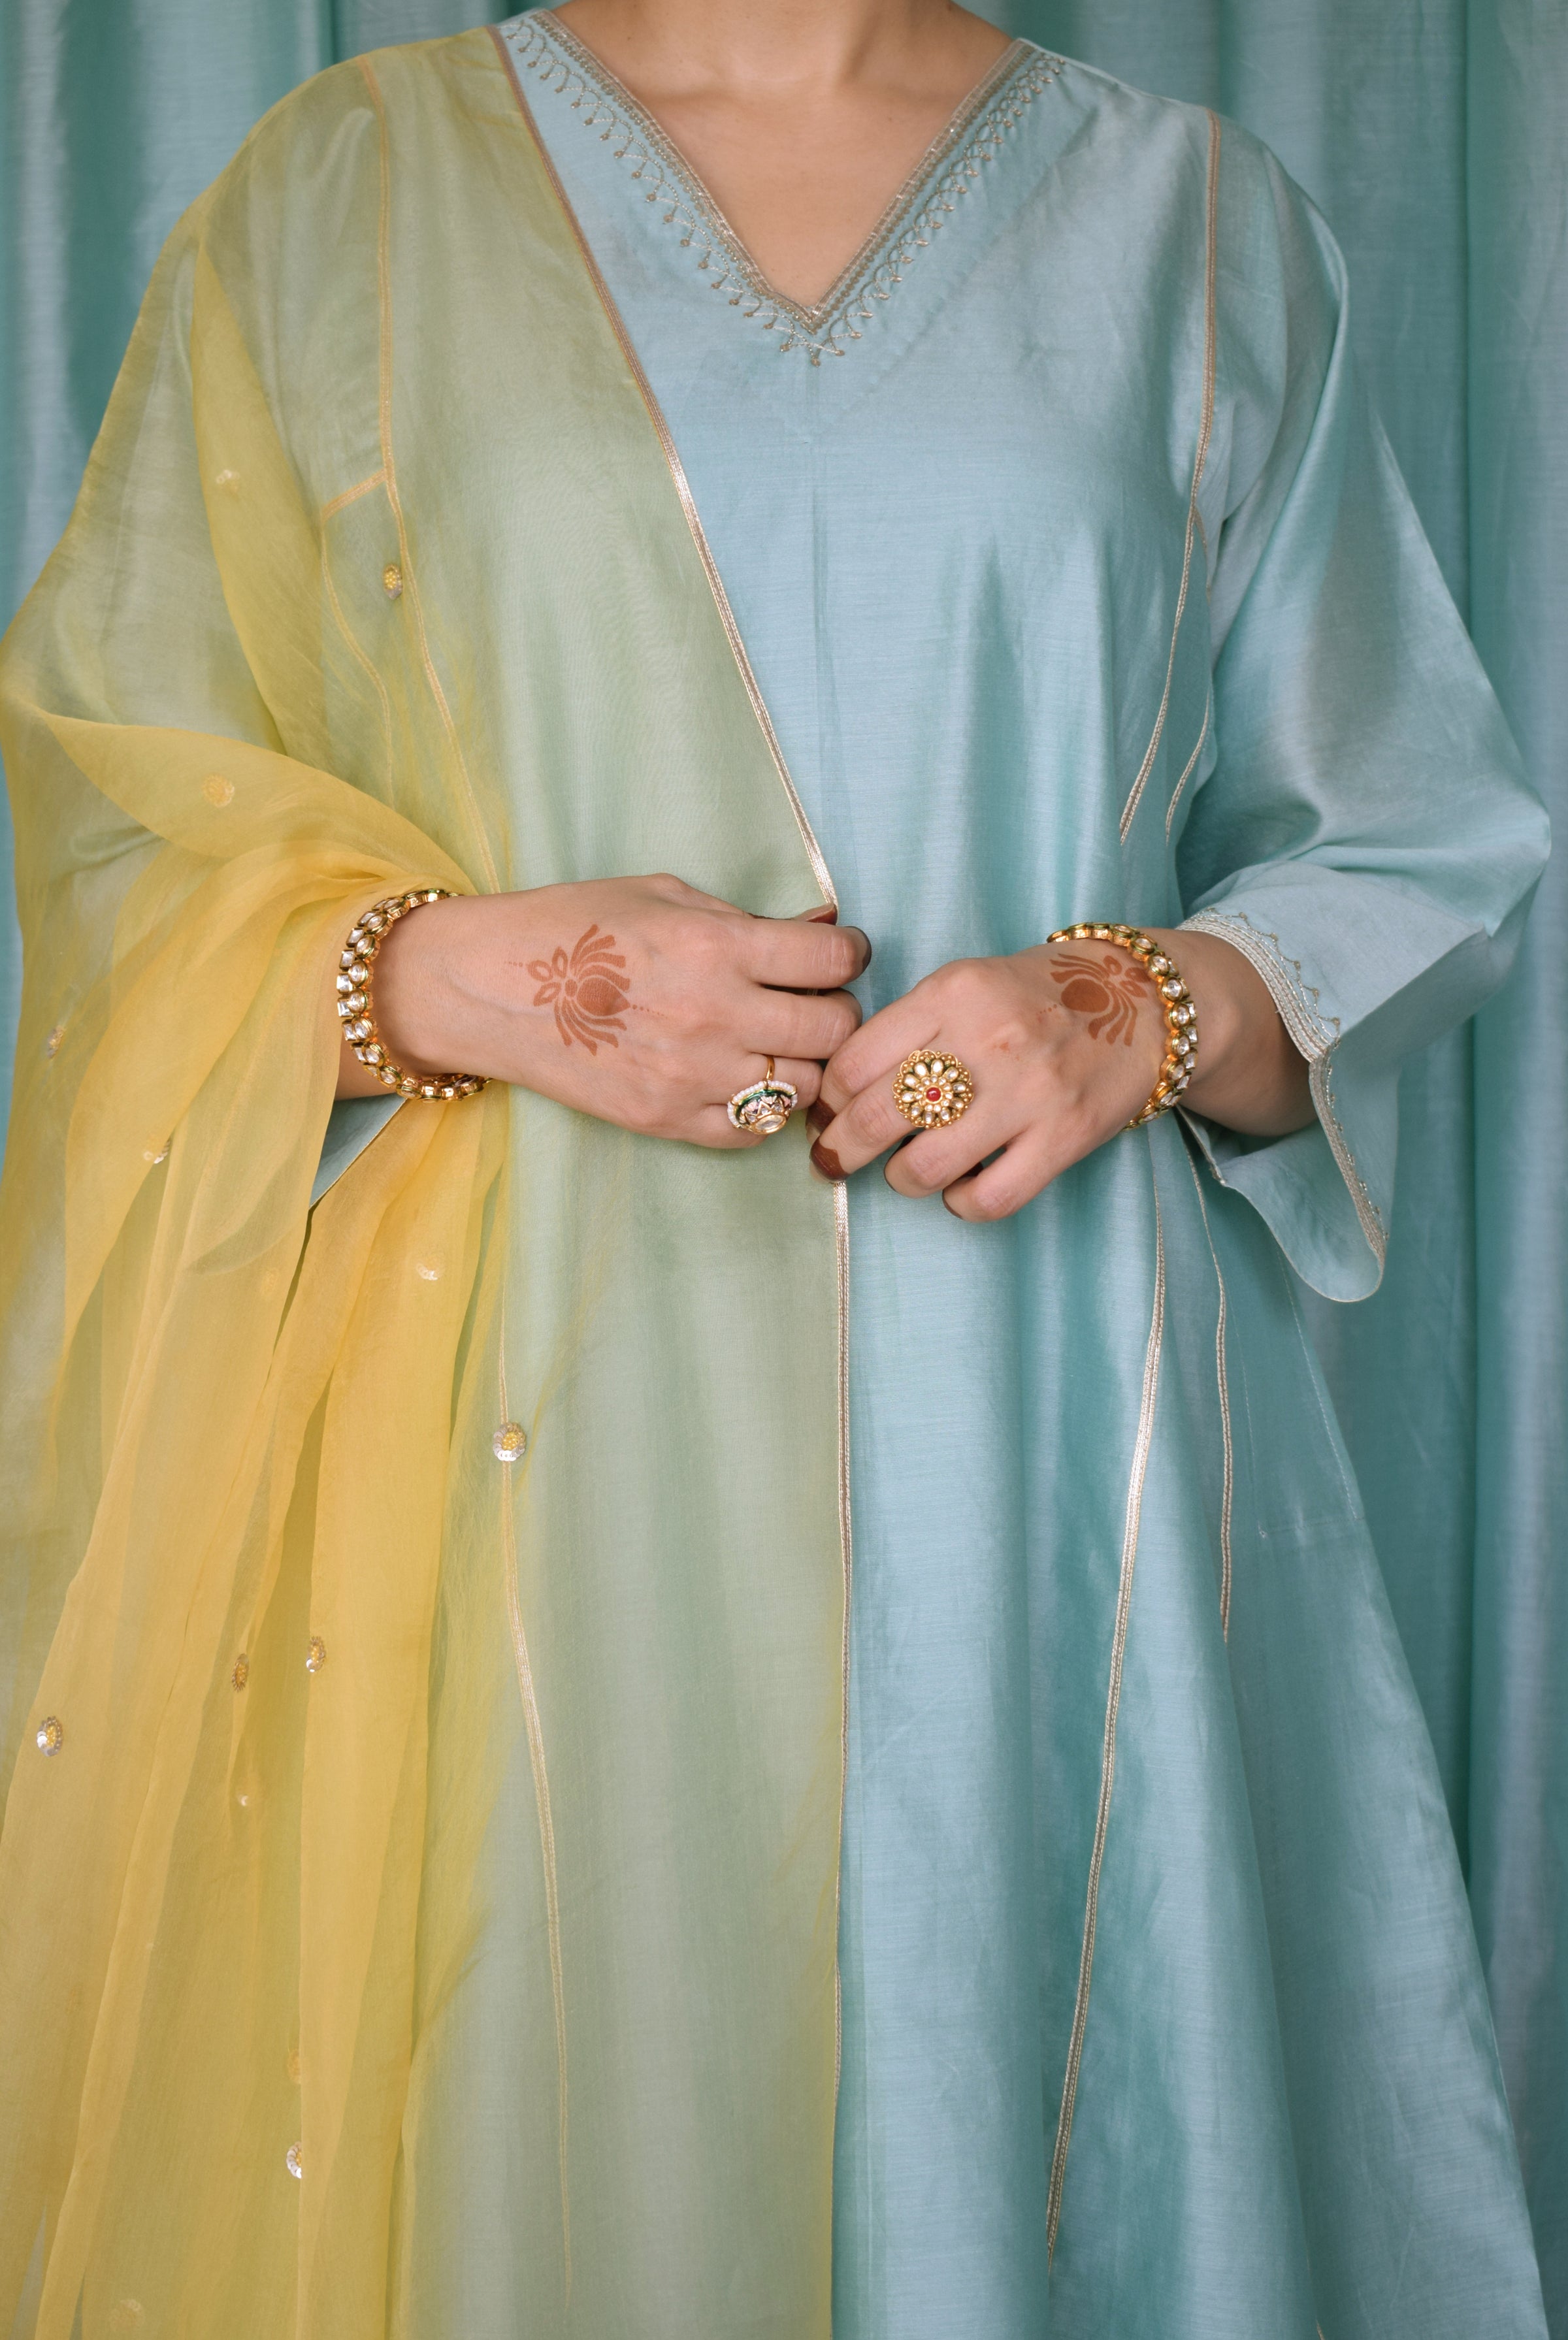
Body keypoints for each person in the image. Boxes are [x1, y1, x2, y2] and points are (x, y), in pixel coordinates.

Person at [0, 1, 1550, 2332]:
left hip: (1061, 1465)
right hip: (520, 1458)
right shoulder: (341, 199)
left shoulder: (1196, 225)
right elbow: (124, 833)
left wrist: (1132, 1008)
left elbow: (1413, 843)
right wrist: (464, 977)